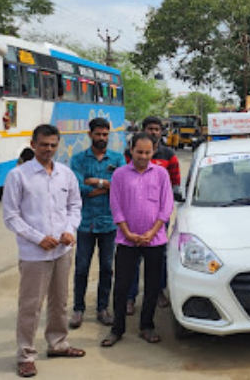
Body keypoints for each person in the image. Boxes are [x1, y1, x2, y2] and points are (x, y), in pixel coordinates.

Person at [3, 124, 85, 378]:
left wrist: (70, 229)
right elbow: (11, 216)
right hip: (34, 254)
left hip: (62, 250)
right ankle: (26, 354)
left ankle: (58, 343)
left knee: (60, 302)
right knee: (31, 305)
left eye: (53, 144)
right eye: (43, 144)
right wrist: (38, 238)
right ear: (33, 144)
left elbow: (74, 206)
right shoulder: (18, 176)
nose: (49, 149)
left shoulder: (65, 174)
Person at [101, 133, 174, 347]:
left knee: (152, 286)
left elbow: (166, 206)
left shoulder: (161, 174)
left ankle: (147, 326)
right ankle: (117, 329)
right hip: (127, 240)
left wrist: (152, 232)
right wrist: (127, 232)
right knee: (122, 286)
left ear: (153, 152)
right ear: (131, 150)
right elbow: (116, 206)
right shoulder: (120, 175)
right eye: (139, 151)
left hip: (155, 239)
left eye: (147, 152)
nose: (143, 156)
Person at [69, 118, 126, 329]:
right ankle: (78, 309)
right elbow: (77, 187)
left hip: (109, 222)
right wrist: (106, 186)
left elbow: (121, 186)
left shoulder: (118, 159)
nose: (102, 138)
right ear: (90, 134)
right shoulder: (78, 160)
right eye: (98, 134)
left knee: (107, 268)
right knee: (81, 268)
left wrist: (94, 181)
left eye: (105, 134)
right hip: (85, 223)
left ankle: (102, 308)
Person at [124, 116, 180, 314]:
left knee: (158, 259)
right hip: (131, 220)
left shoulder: (169, 154)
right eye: (150, 128)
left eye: (157, 129)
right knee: (133, 261)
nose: (154, 132)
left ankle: (158, 292)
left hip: (158, 220)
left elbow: (174, 186)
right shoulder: (130, 155)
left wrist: (162, 216)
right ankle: (130, 297)